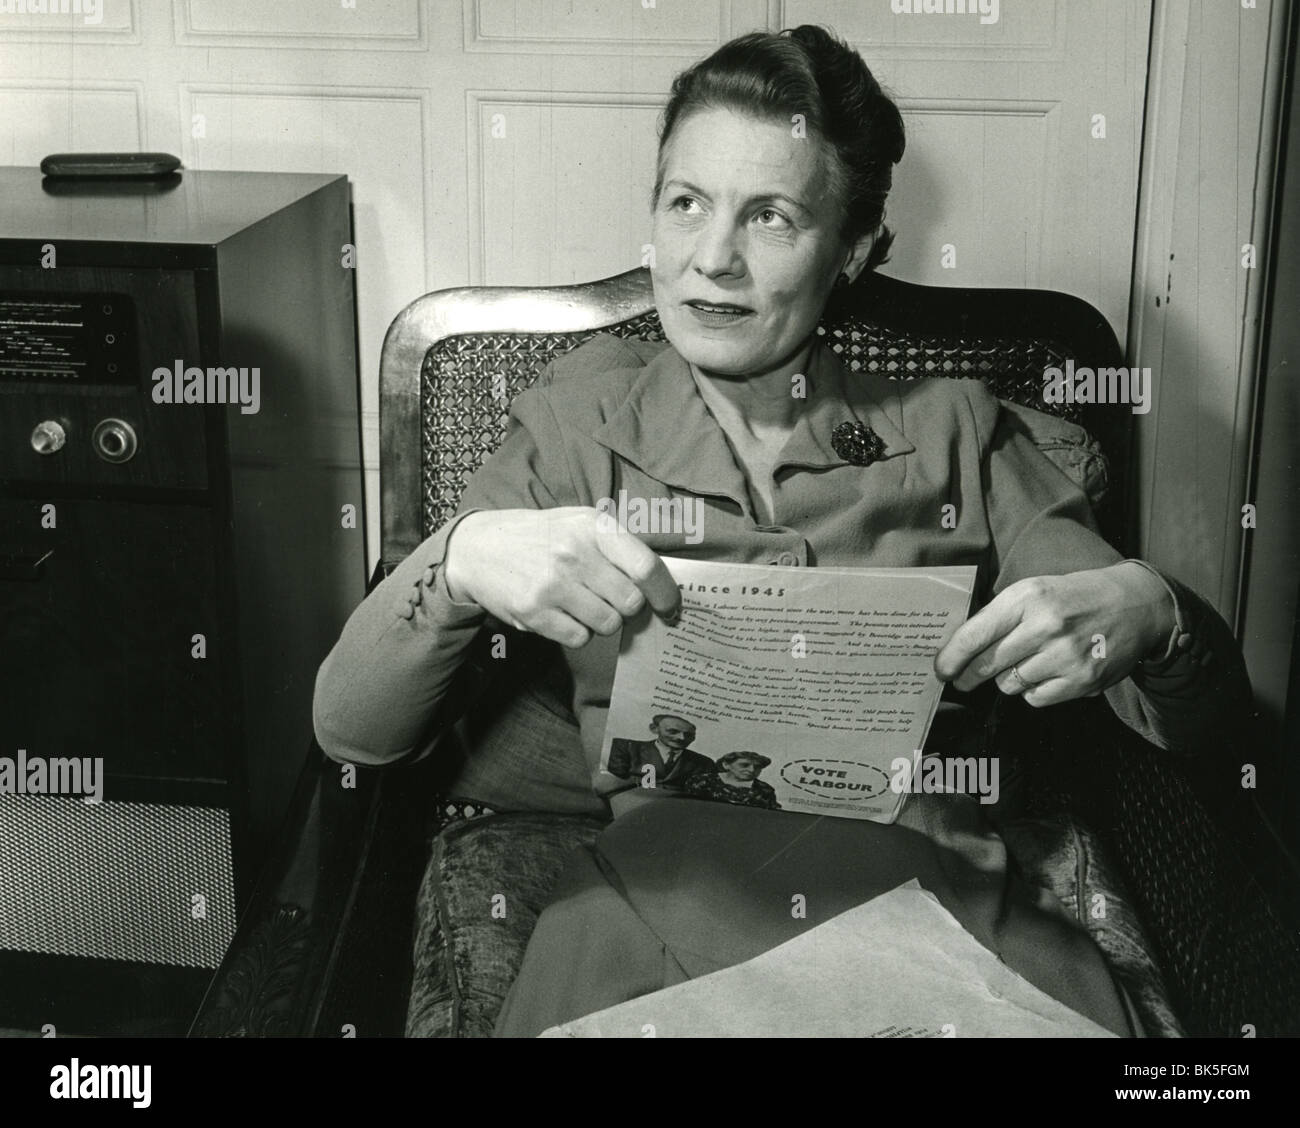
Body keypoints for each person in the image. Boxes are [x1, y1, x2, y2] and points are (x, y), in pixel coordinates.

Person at [313, 26, 1252, 1037]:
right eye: (686, 204)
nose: (710, 258)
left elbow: (1208, 734)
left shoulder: (957, 429)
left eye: (771, 218)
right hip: (651, 922)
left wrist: (1151, 612)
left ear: (850, 251)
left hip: (940, 925)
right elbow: (352, 732)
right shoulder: (573, 423)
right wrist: (454, 566)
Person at [606, 714, 714, 789]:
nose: (681, 738)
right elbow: (613, 781)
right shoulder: (624, 747)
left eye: (689, 735)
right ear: (654, 729)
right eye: (673, 731)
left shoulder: (705, 763)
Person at [683, 752, 780, 810]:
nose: (751, 770)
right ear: (726, 765)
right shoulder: (702, 780)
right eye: (744, 765)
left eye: (757, 767)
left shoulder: (765, 789)